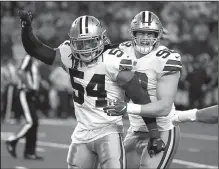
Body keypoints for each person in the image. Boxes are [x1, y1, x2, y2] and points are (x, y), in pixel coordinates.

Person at [18, 10, 147, 168]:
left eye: (90, 42)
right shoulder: (69, 56)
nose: (85, 48)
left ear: (101, 39)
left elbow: (140, 96)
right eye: (80, 43)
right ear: (72, 42)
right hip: (82, 133)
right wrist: (26, 27)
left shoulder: (114, 59)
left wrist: (153, 131)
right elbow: (36, 49)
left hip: (109, 131)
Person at [104, 11, 182, 169]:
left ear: (158, 35)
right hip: (135, 129)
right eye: (141, 33)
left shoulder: (166, 58)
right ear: (132, 34)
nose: (146, 38)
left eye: (150, 34)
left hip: (162, 130)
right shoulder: (123, 50)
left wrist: (127, 107)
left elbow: (164, 107)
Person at [5, 54, 43, 160]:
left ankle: (30, 152)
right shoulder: (28, 57)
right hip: (25, 93)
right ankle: (12, 140)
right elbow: (20, 71)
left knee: (34, 122)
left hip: (32, 94)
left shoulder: (35, 61)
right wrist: (29, 86)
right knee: (30, 122)